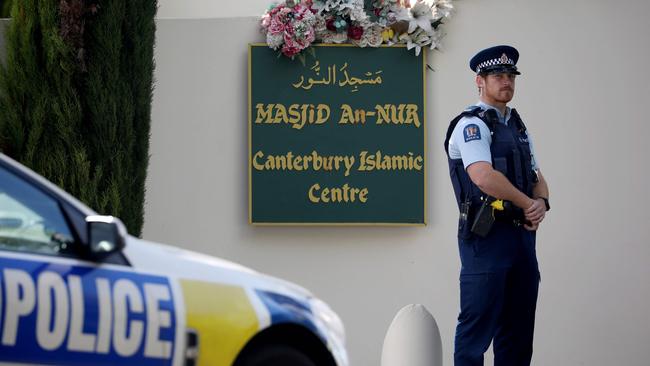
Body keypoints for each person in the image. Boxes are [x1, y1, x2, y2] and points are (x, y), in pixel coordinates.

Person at [443, 45, 550, 366]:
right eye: (497, 76)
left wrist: (541, 203)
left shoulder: (517, 126)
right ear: (480, 81)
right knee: (476, 332)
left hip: (521, 239)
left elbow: (536, 175)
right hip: (486, 237)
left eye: (510, 76)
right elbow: (483, 176)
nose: (506, 82)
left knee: (517, 334)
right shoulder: (471, 125)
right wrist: (527, 203)